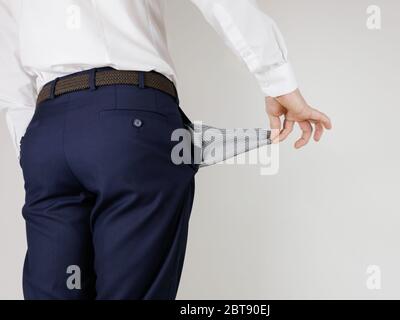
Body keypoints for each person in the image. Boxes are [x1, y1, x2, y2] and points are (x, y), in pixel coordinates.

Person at [0, 0, 332, 300]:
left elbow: (10, 70)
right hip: (127, 116)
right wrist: (277, 79)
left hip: (46, 137)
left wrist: (30, 147)